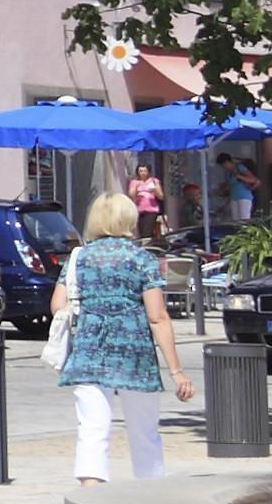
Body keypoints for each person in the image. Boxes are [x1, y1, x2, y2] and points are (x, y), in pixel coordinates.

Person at [55, 192, 181, 482]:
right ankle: (149, 497)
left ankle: (91, 496)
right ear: (129, 219)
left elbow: (58, 305)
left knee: (92, 431)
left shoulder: (79, 258)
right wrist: (176, 370)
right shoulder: (141, 259)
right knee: (145, 433)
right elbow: (157, 316)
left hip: (88, 353)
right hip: (134, 357)